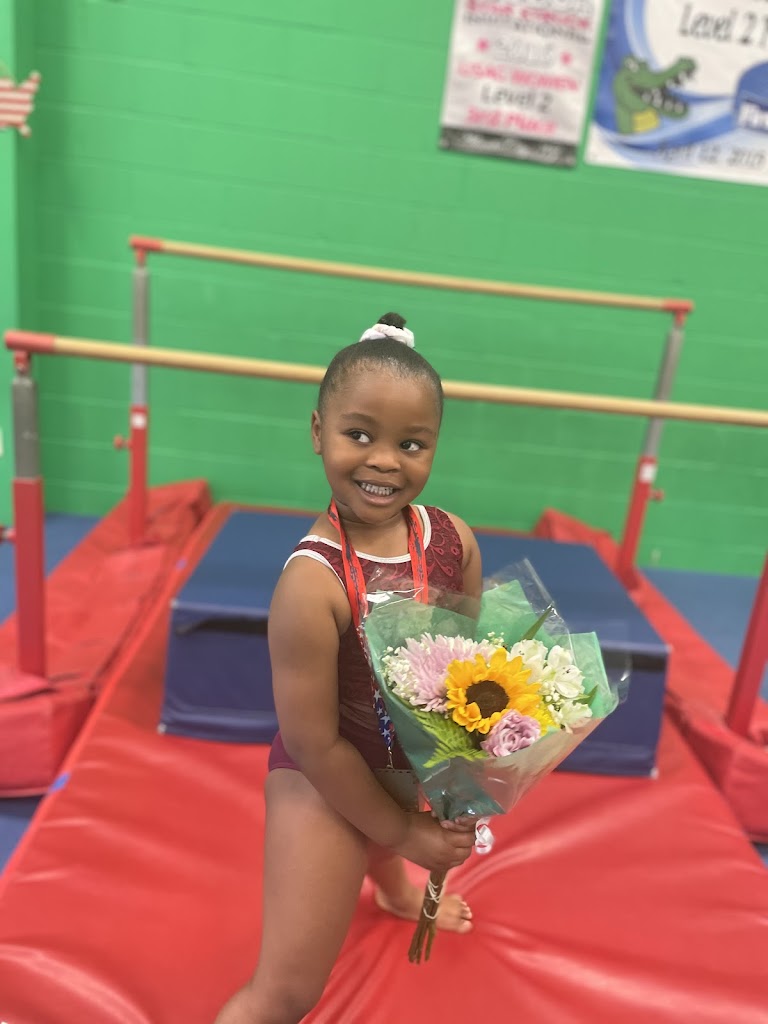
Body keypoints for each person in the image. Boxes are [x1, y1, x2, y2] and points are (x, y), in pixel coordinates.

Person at [215, 313, 482, 1024]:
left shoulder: (454, 540)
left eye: (411, 443)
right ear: (318, 431)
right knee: (285, 995)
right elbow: (315, 743)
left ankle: (392, 889)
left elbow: (470, 670)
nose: (385, 461)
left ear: (434, 445)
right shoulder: (311, 585)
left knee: (391, 800)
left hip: (408, 761)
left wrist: (470, 768)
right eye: (359, 435)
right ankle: (385, 862)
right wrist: (407, 834)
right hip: (323, 779)